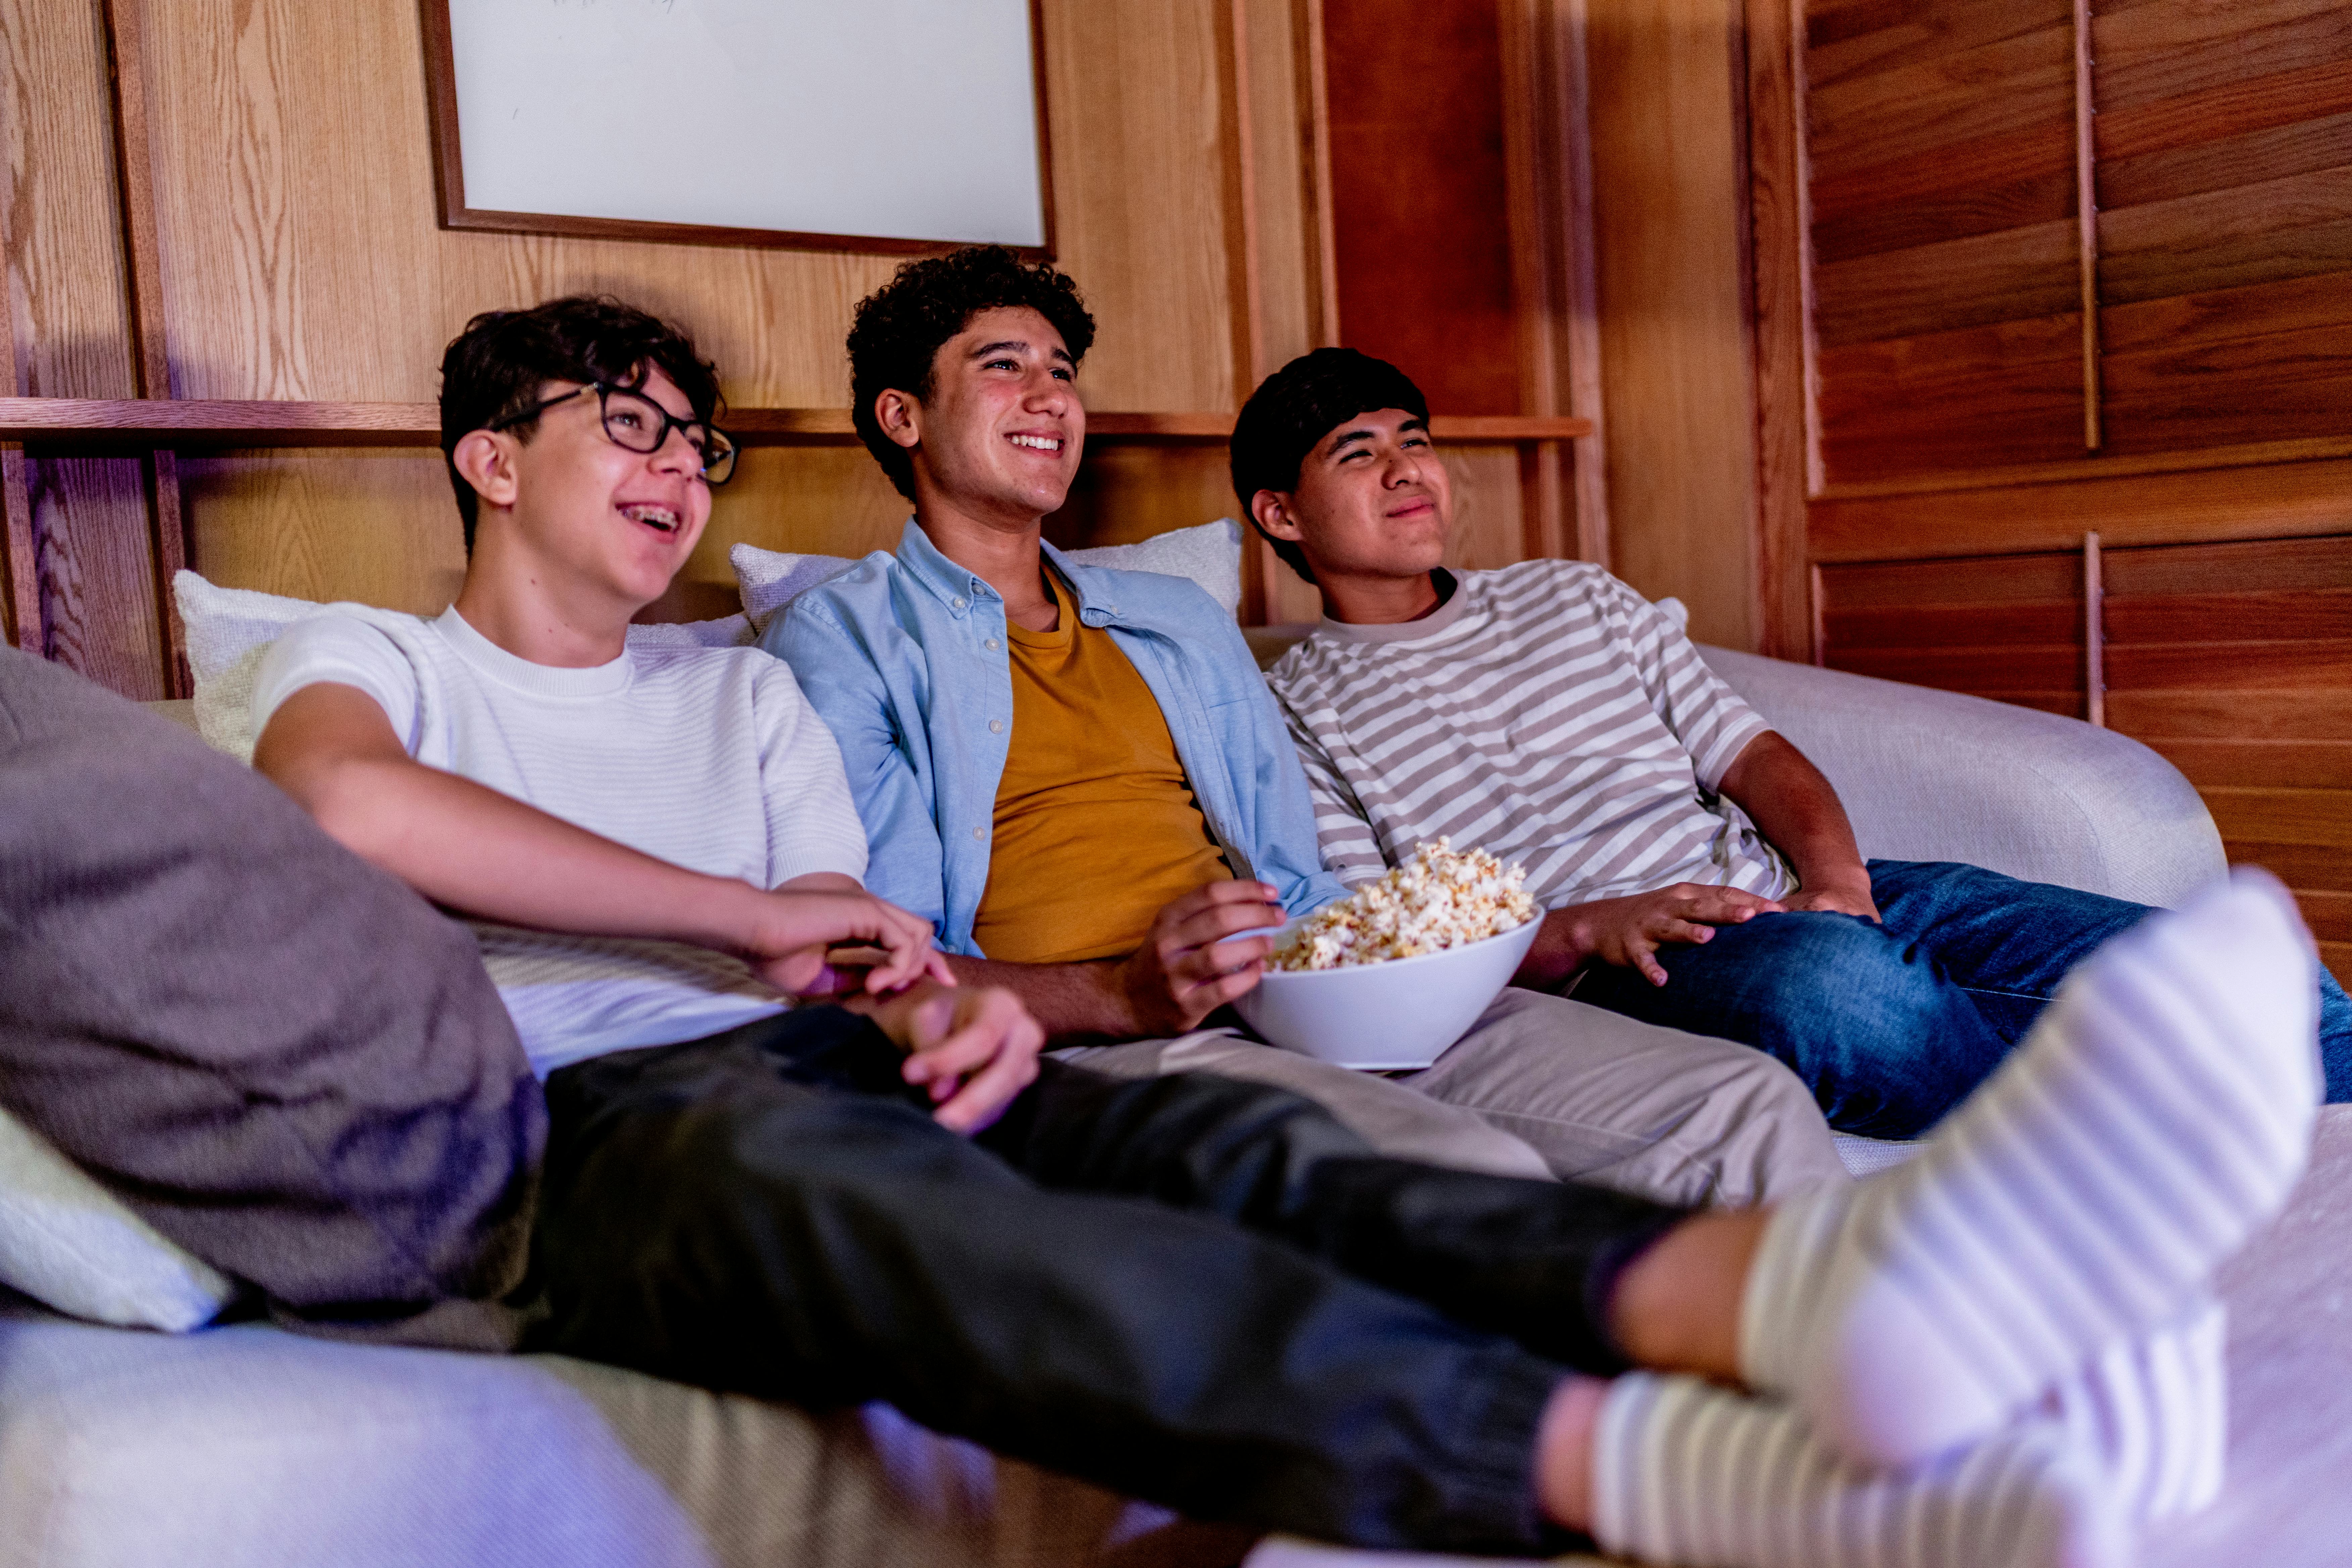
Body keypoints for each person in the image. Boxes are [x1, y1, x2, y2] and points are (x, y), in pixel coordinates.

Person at [248, 292, 2314, 1567]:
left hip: (889, 1049)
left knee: (1249, 1148)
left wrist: (929, 1002)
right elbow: (350, 808)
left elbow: (860, 923)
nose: (682, 471)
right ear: (486, 458)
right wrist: (774, 935)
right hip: (612, 1107)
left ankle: (1825, 1306)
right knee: (956, 1204)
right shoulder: (365, 661)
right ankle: (1639, 1470)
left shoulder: (741, 688)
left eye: (697, 442)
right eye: (633, 427)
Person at [763, 246, 1844, 1207]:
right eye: (1004, 365)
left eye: (1062, 371)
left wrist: (1444, 954)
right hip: (1113, 1039)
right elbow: (887, 969)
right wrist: (1122, 993)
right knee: (1468, 1176)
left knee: (1738, 1104)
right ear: (904, 416)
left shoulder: (1175, 619)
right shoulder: (844, 639)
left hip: (1310, 988)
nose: (1050, 396)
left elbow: (1302, 871)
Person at [1239, 346, 2352, 1138]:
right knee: (1839, 999)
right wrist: (1593, 925)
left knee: (2258, 970)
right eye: (1358, 452)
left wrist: (1839, 878)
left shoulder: (1574, 598)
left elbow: (1758, 760)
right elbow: (1392, 951)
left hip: (1799, 891)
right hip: (1642, 963)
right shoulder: (1298, 710)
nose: (1409, 469)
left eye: (1416, 440)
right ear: (1281, 515)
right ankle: (2149, 1122)